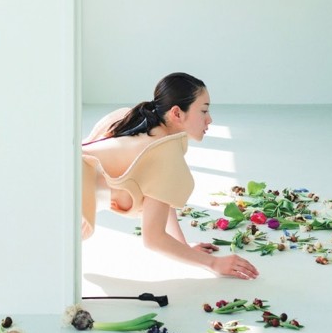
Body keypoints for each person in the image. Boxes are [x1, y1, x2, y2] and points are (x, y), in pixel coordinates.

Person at [82, 72, 259, 281]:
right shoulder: (164, 153)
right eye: (203, 111)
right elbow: (153, 238)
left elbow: (160, 195)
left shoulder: (148, 126)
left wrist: (184, 248)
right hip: (62, 196)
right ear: (177, 113)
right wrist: (214, 263)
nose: (209, 119)